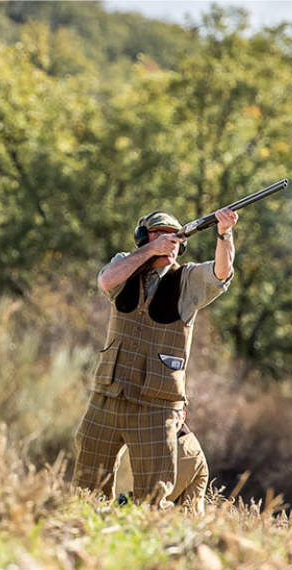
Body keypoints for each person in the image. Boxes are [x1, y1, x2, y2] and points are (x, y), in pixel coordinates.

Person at [72, 207, 237, 506]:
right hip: (109, 395)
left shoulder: (186, 280)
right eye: (160, 235)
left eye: (175, 237)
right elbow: (106, 280)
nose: (170, 242)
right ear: (143, 239)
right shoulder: (125, 266)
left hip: (156, 406)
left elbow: (220, 273)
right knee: (87, 490)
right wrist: (150, 252)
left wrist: (224, 235)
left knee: (151, 498)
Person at [114, 420, 209, 514]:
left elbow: (155, 501)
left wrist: (123, 501)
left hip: (180, 525)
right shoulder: (172, 444)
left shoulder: (186, 452)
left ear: (183, 416)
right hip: (170, 522)